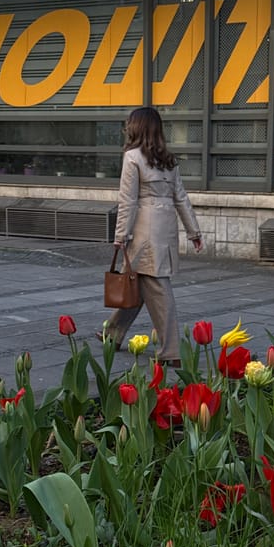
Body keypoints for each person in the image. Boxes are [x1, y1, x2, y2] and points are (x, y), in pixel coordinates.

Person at [97, 107, 202, 364]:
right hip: (165, 230)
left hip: (143, 231)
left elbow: (128, 201)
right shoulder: (168, 160)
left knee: (157, 288)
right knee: (138, 282)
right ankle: (113, 333)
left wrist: (120, 234)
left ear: (136, 128)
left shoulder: (132, 157)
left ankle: (171, 352)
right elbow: (181, 198)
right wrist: (193, 231)